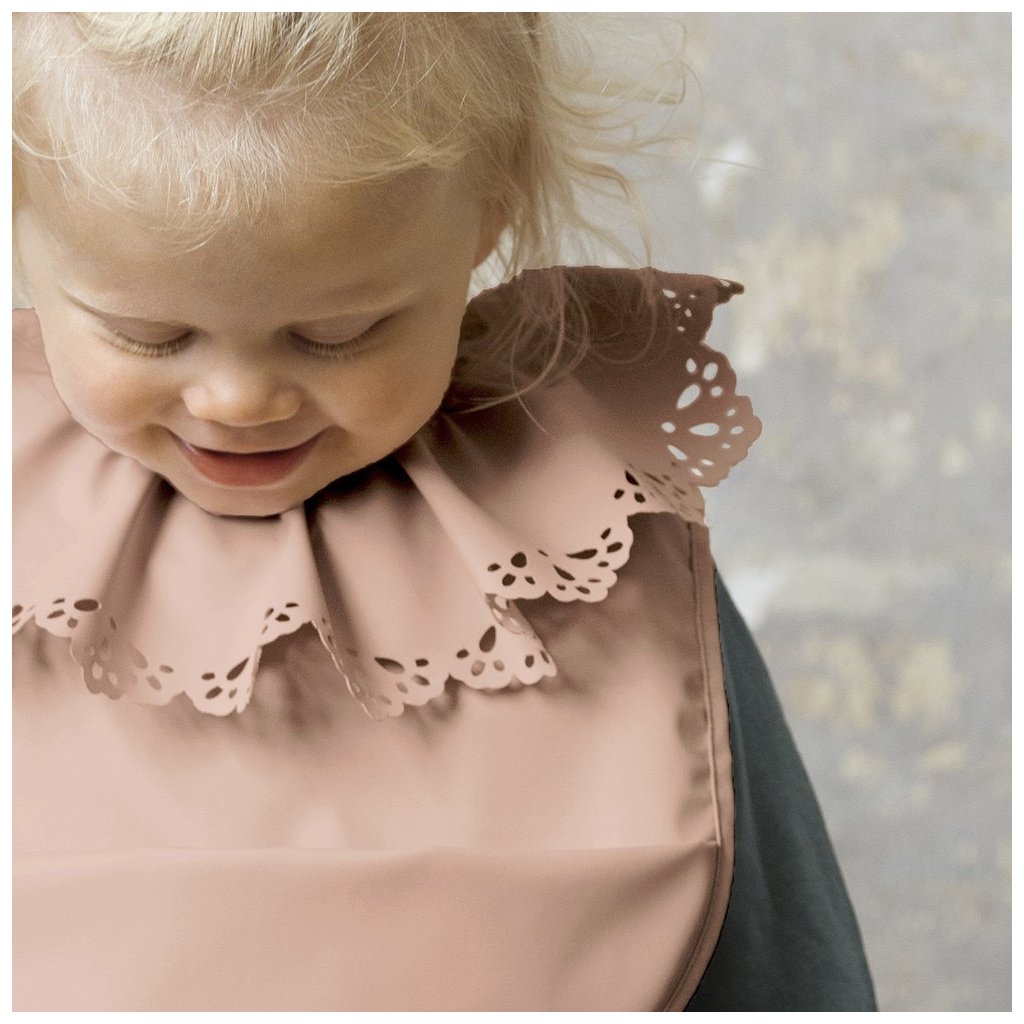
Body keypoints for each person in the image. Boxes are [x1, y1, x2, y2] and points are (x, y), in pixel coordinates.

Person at [12, 13, 876, 1012]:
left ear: (488, 209)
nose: (238, 401)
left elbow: (785, 973)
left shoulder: (589, 534)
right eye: (148, 334)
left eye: (338, 331)